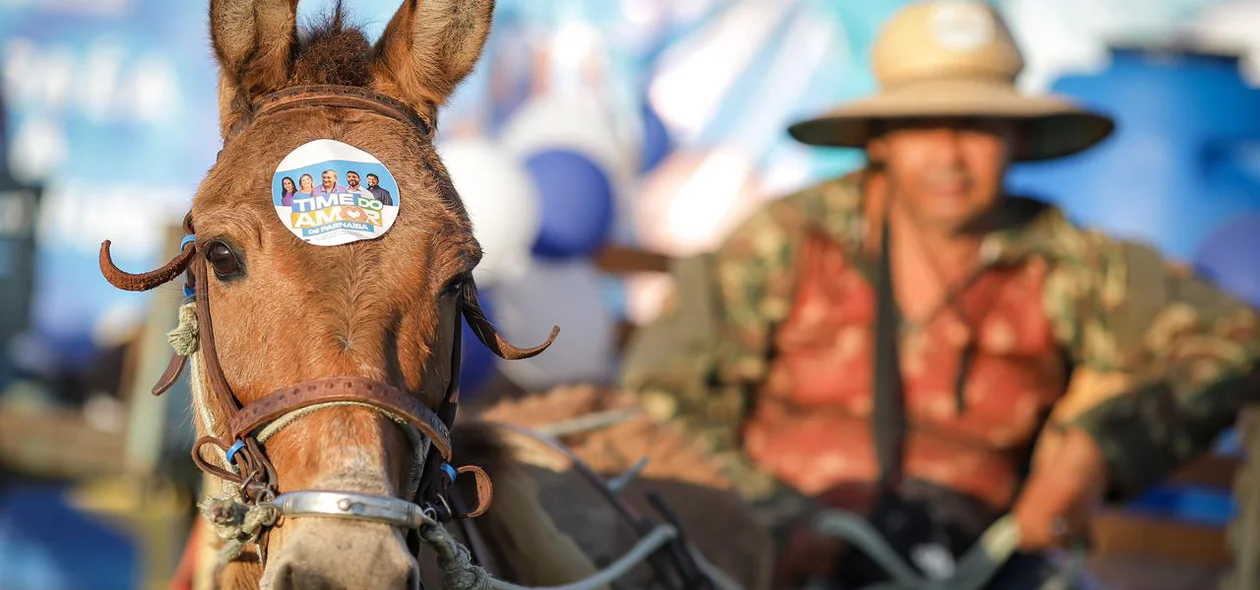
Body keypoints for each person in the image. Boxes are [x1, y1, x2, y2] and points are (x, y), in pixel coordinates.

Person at [620, 2, 1260, 588]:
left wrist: (1096, 454)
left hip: (983, 566)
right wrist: (771, 512)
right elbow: (660, 393)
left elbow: (1233, 339)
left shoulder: (1069, 261)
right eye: (923, 126)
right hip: (774, 564)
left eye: (978, 127)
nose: (950, 157)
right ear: (880, 138)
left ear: (1018, 139)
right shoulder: (786, 243)